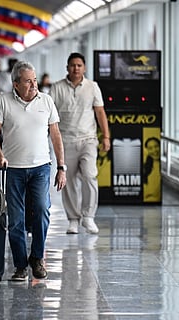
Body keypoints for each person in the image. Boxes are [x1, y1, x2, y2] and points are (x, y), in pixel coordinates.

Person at [0, 61, 66, 281]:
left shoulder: (46, 101)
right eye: (28, 81)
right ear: (15, 84)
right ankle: (21, 265)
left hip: (41, 167)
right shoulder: (3, 101)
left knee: (42, 210)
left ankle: (38, 258)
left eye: (34, 80)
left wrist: (61, 166)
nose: (34, 84)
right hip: (13, 168)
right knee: (16, 220)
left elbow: (56, 135)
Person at [49, 52, 111, 235]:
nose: (76, 68)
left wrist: (106, 136)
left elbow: (100, 112)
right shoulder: (57, 88)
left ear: (84, 68)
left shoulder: (93, 87)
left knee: (90, 175)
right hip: (65, 140)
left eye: (79, 65)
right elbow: (48, 113)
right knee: (69, 182)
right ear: (67, 67)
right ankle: (74, 219)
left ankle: (89, 216)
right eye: (72, 65)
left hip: (88, 139)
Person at [142, 137, 161, 201]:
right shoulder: (146, 167)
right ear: (147, 150)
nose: (154, 150)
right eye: (150, 148)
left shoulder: (165, 166)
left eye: (156, 146)